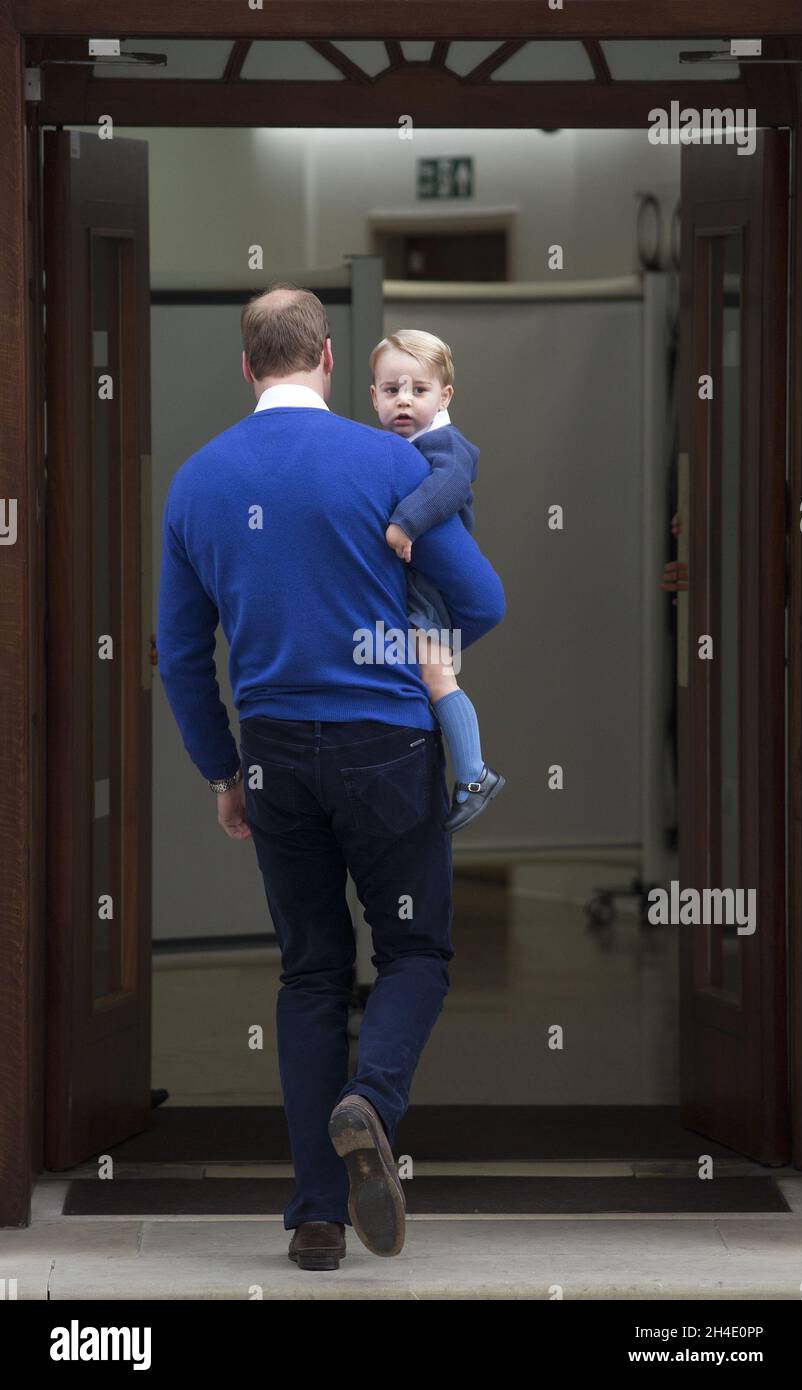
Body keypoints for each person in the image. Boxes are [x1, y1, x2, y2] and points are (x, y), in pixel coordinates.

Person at [156, 283, 506, 1271]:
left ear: (246, 367)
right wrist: (396, 637)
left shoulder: (197, 481)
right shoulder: (388, 459)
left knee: (310, 971)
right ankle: (374, 1103)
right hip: (388, 749)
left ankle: (315, 1215)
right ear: (323, 361)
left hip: (272, 754)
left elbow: (181, 656)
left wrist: (223, 768)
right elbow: (481, 601)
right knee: (416, 952)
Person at [370, 328, 505, 833]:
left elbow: (448, 487)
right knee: (420, 677)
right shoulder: (394, 445)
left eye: (418, 390)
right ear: (373, 396)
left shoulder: (447, 445)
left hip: (428, 591)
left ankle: (474, 775)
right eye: (391, 390)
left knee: (437, 676)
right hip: (411, 587)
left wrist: (405, 523)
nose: (403, 400)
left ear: (445, 396)